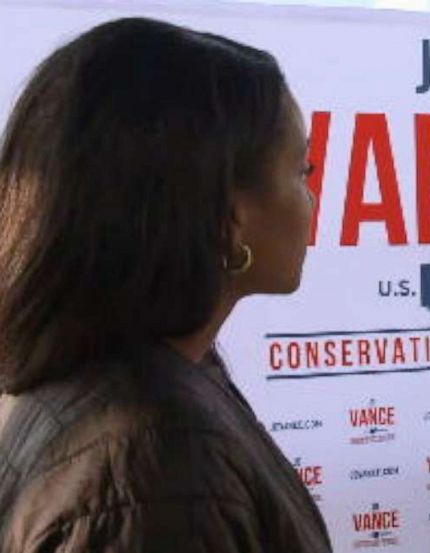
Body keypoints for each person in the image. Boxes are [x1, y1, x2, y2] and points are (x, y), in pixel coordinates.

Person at [0, 18, 332, 552]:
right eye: (303, 170)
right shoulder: (158, 463)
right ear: (230, 214)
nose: (312, 200)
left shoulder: (143, 391)